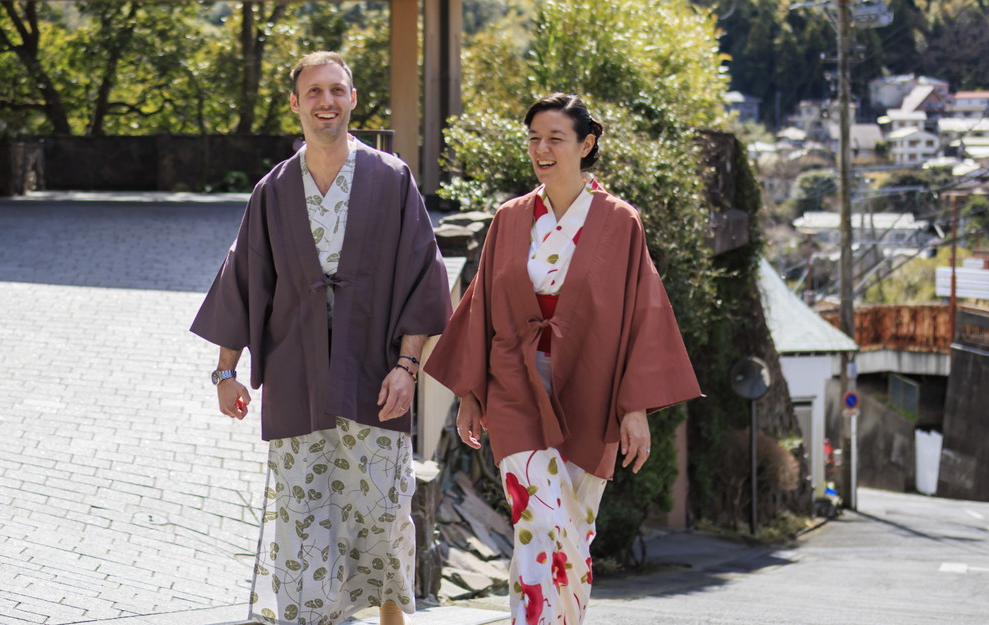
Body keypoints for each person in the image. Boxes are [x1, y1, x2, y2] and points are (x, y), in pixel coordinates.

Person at [191, 51, 451, 625]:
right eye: (314, 92)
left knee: (383, 512)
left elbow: (421, 272)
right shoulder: (274, 189)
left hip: (374, 373)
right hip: (295, 376)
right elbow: (246, 276)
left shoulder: (391, 178)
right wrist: (225, 371)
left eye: (337, 90)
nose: (326, 102)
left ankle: (390, 620)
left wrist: (407, 368)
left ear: (353, 98)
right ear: (295, 103)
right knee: (303, 517)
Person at [422, 93, 701, 625]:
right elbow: (480, 304)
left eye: (555, 138)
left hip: (589, 386)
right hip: (513, 384)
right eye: (533, 138)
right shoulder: (509, 218)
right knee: (540, 521)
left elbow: (644, 312)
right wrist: (469, 392)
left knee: (576, 526)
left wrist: (635, 408)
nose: (541, 149)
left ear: (586, 144)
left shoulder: (620, 222)